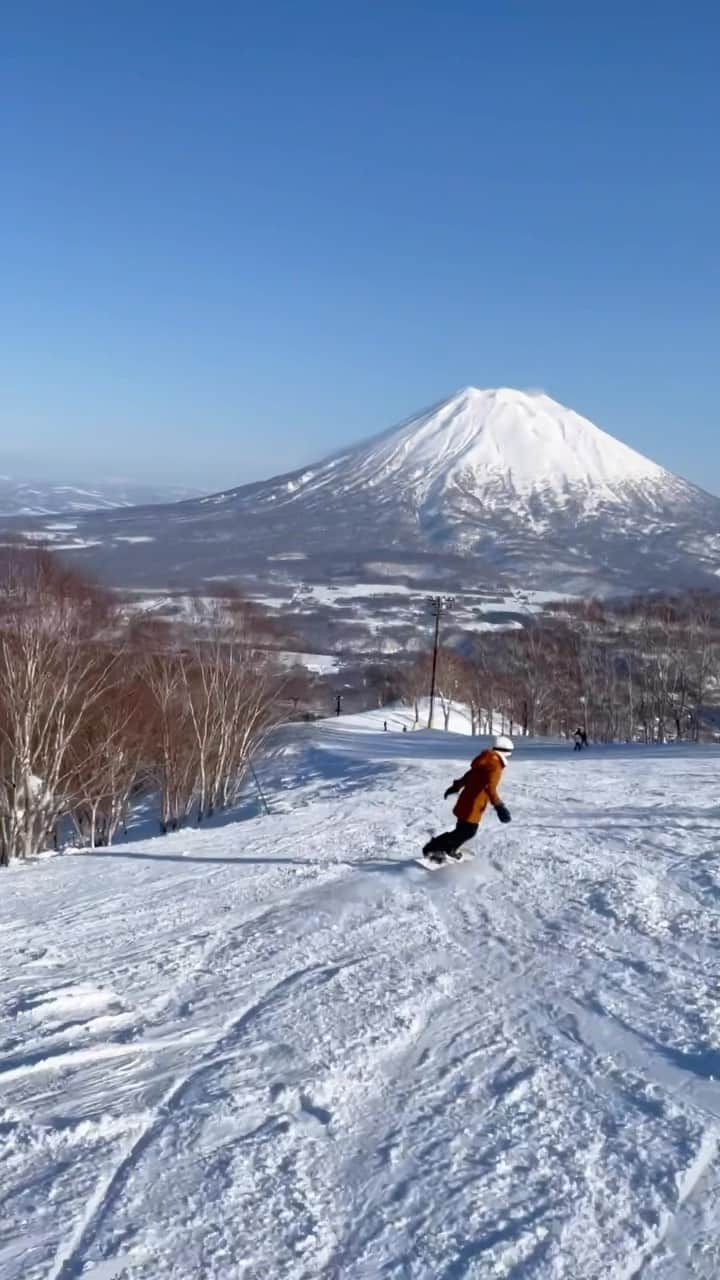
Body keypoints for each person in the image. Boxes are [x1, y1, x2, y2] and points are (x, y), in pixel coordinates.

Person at [422, 735, 513, 863]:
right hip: (474, 803)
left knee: (461, 829)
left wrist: (456, 787)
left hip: (465, 799)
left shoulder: (484, 760)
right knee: (468, 831)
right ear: (505, 752)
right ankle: (438, 848)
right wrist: (499, 807)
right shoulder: (495, 765)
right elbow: (490, 788)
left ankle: (441, 847)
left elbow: (468, 776)